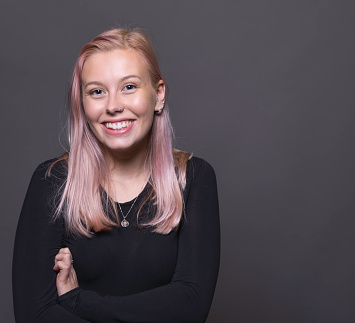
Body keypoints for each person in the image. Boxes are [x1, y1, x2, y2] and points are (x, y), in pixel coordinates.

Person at [12, 28, 220, 323]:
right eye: (97, 91)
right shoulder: (54, 181)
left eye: (129, 87)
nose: (113, 106)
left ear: (158, 94)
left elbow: (191, 305)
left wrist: (78, 300)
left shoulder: (193, 178)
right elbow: (34, 314)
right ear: (82, 104)